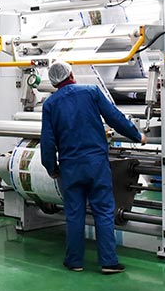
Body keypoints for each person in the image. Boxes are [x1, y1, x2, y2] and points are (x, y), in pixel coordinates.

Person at [39, 60, 146, 274]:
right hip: (96, 164)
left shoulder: (50, 105)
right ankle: (108, 262)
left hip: (70, 167)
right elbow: (114, 118)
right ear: (71, 74)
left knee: (74, 214)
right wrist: (137, 135)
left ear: (53, 83)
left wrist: (51, 167)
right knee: (104, 211)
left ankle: (74, 261)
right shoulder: (91, 92)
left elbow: (47, 141)